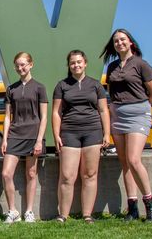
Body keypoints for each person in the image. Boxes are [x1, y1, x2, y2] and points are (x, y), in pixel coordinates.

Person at [100, 28, 152, 222]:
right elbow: (112, 92)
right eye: (116, 41)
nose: (119, 43)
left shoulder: (142, 64)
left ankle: (150, 204)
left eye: (123, 40)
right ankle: (132, 207)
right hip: (118, 115)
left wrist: (141, 106)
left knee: (134, 160)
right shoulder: (112, 67)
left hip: (138, 114)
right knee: (125, 162)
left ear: (131, 42)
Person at [52, 50, 110, 224]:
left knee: (89, 174)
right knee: (68, 176)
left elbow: (103, 110)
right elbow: (56, 112)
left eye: (79, 62)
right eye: (72, 63)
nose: (76, 65)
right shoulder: (61, 85)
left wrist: (107, 133)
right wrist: (56, 135)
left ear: (85, 63)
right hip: (69, 132)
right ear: (69, 66)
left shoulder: (95, 85)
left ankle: (87, 215)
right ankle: (63, 215)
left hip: (93, 132)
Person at [1, 52, 48, 223]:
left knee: (31, 173)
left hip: (33, 135)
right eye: (17, 65)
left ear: (31, 64)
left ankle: (29, 211)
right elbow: (7, 116)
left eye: (23, 64)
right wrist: (5, 139)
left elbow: (44, 117)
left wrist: (39, 140)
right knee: (6, 174)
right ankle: (12, 211)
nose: (20, 68)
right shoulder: (10, 89)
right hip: (14, 135)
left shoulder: (39, 88)